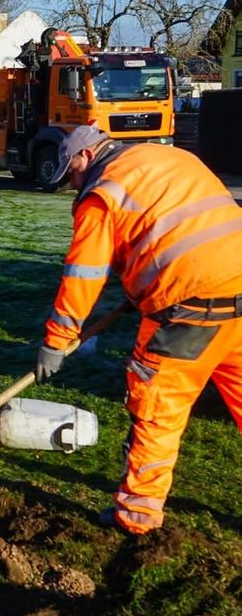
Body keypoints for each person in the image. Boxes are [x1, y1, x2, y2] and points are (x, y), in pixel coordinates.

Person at [35, 125, 242, 535]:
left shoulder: (103, 194)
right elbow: (180, 226)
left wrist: (55, 343)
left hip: (188, 311)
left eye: (70, 173)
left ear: (86, 157)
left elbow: (84, 276)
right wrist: (141, 282)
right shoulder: (168, 157)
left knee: (157, 408)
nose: (72, 183)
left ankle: (137, 515)